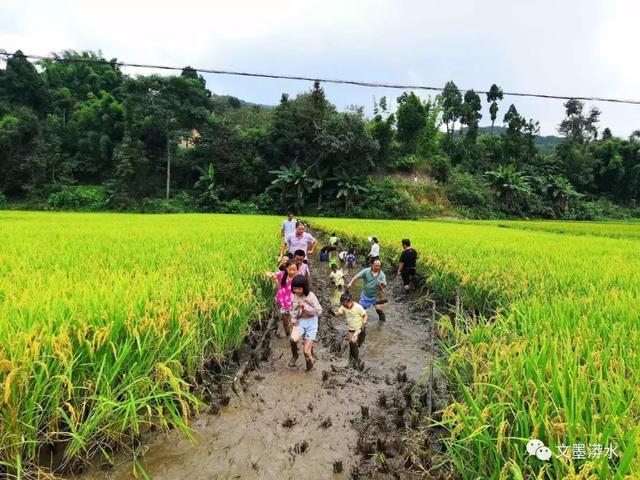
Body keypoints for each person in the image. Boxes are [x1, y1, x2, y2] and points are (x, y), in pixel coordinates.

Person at [289, 275, 322, 371]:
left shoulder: (311, 296)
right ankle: (295, 355)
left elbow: (319, 312)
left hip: (312, 322)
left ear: (304, 287)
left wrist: (305, 307)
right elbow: (293, 310)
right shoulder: (293, 296)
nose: (297, 291)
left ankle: (309, 368)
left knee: (306, 352)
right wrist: (293, 319)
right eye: (294, 288)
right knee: (293, 340)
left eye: (299, 288)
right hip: (300, 321)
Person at [334, 292, 368, 367]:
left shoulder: (358, 307)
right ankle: (352, 357)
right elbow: (338, 314)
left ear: (350, 301)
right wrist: (332, 312)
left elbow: (365, 316)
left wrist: (364, 323)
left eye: (345, 305)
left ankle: (356, 361)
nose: (344, 306)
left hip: (359, 328)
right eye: (343, 305)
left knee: (353, 341)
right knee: (351, 342)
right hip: (351, 329)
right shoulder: (343, 307)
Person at [265, 260, 298, 335]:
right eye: (290, 269)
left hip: (293, 304)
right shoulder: (282, 274)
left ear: (297, 270)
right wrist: (271, 275)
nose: (292, 272)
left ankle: (293, 337)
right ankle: (287, 334)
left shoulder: (298, 278)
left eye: (294, 270)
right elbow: (269, 273)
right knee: (285, 321)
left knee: (293, 320)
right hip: (283, 303)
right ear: (286, 268)